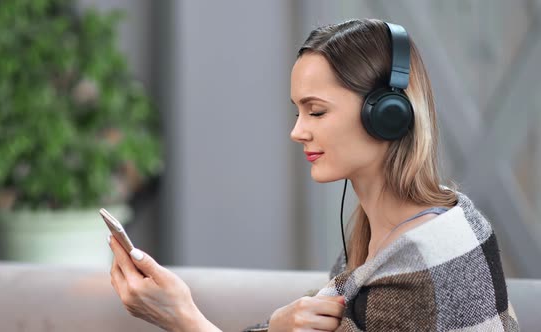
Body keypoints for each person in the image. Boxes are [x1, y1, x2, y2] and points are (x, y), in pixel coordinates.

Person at [107, 18, 519, 331]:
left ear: (388, 115)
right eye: (297, 111)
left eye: (316, 111)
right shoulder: (378, 233)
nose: (297, 131)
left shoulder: (423, 263)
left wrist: (184, 318)